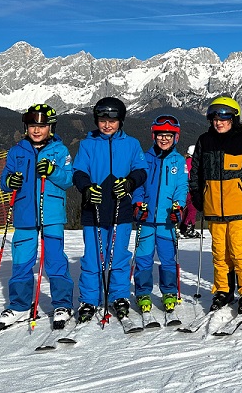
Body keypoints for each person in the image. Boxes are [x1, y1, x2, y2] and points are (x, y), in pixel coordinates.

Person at [0, 104, 74, 331]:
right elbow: (5, 179)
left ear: (51, 128)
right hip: (24, 214)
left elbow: (69, 179)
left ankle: (62, 304)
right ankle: (20, 306)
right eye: (32, 126)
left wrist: (53, 171)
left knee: (54, 260)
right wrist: (9, 182)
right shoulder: (17, 151)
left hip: (52, 215)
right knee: (21, 261)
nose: (36, 130)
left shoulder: (60, 151)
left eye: (42, 126)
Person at [188, 96, 242, 315]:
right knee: (220, 253)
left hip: (240, 206)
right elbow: (196, 170)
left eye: (223, 118)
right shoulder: (204, 141)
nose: (218, 122)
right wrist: (196, 193)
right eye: (215, 118)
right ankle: (223, 290)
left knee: (239, 250)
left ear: (233, 119)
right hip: (213, 207)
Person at [72, 97, 147, 323]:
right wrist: (86, 188)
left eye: (112, 121)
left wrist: (130, 183)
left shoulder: (131, 144)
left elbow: (141, 170)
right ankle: (89, 299)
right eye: (102, 120)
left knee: (119, 256)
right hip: (93, 208)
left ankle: (119, 295)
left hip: (120, 209)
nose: (107, 125)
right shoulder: (88, 144)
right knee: (93, 257)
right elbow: (78, 172)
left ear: (120, 121)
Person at [131, 115, 188, 315]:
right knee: (144, 258)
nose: (164, 139)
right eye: (160, 135)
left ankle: (169, 291)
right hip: (147, 220)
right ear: (154, 136)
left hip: (166, 221)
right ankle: (143, 292)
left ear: (175, 138)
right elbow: (138, 185)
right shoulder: (144, 158)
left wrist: (179, 208)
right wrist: (137, 204)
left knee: (168, 259)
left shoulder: (178, 161)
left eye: (168, 136)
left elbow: (182, 187)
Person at [179, 145, 200, 238]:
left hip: (185, 189)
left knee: (187, 209)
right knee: (192, 209)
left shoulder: (185, 161)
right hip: (190, 189)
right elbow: (192, 176)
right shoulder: (192, 162)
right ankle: (188, 228)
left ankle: (183, 227)